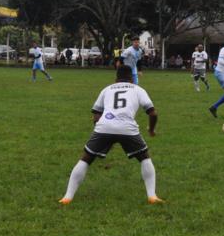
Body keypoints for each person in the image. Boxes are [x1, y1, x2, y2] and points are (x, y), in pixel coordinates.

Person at [59, 65, 163, 205]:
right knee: (144, 158)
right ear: (132, 78)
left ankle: (67, 197)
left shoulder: (107, 89)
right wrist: (151, 130)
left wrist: (104, 136)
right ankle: (152, 196)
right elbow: (153, 113)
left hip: (104, 127)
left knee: (86, 159)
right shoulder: (138, 89)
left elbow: (96, 116)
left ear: (116, 79)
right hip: (128, 129)